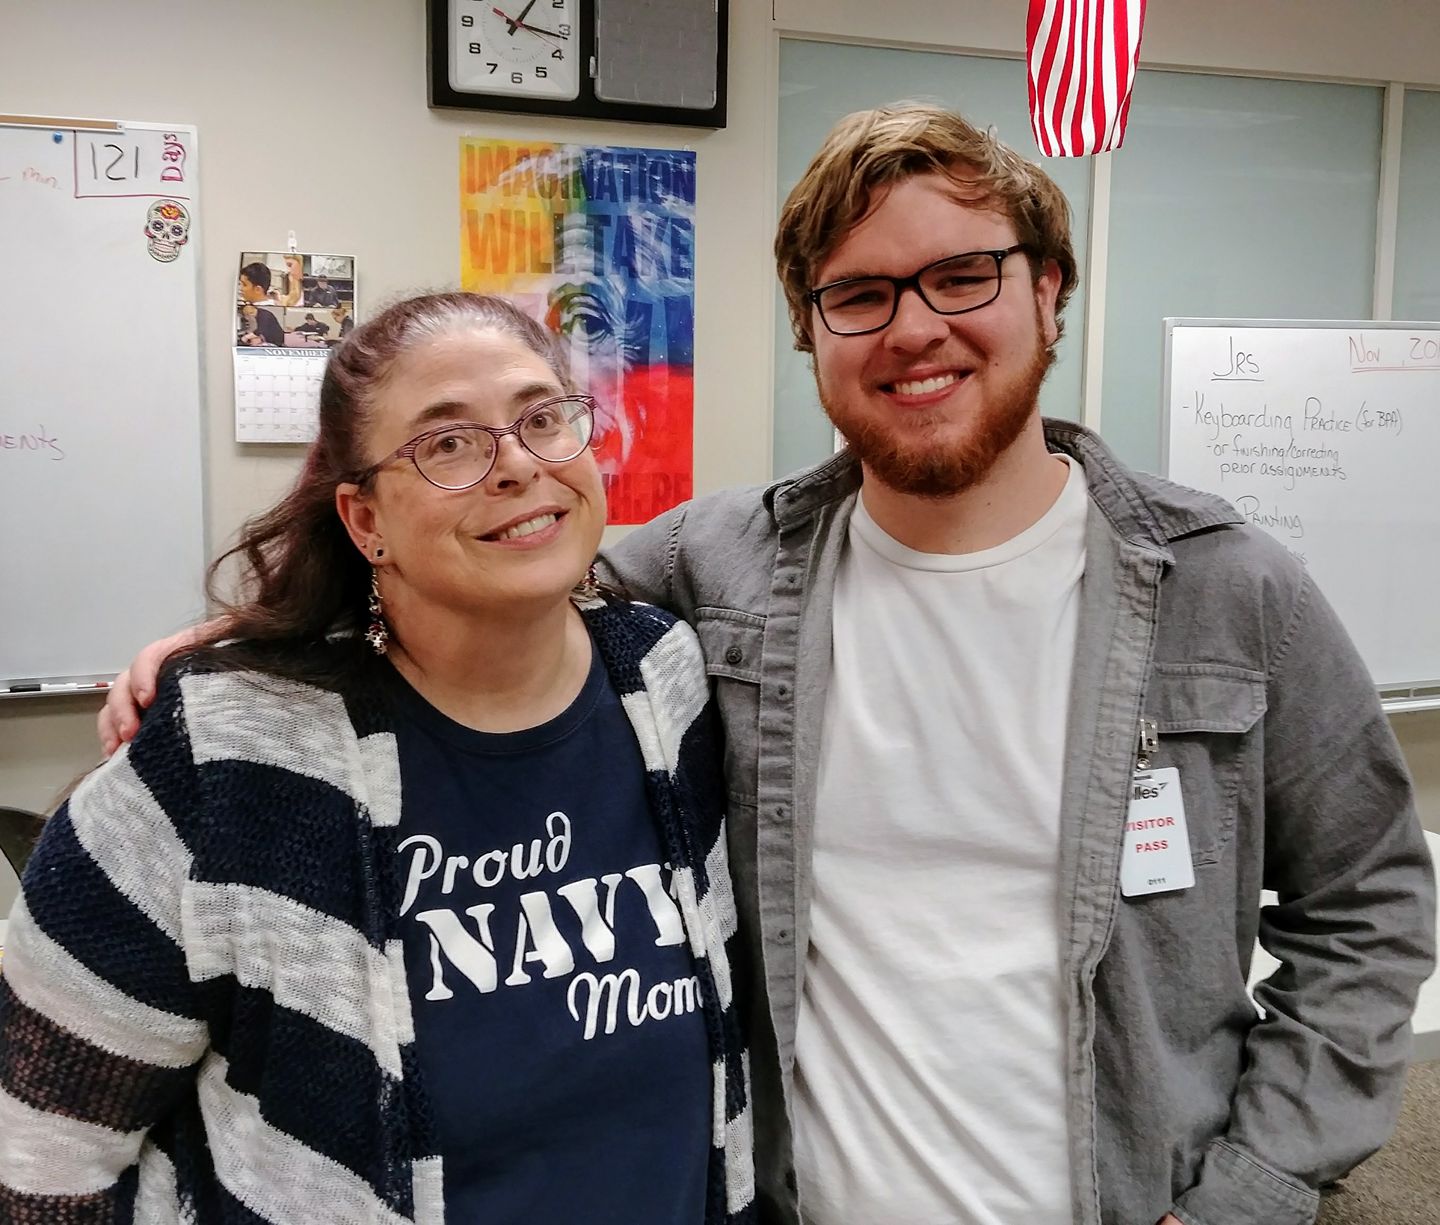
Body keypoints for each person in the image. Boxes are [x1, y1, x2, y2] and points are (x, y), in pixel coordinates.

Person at [98, 105, 1436, 1225]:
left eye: (963, 273)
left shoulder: (1229, 593)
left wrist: (1254, 1189)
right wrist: (251, 635)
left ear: (1049, 288)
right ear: (812, 332)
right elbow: (497, 557)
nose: (914, 327)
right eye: (858, 294)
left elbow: (1369, 912)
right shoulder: (728, 564)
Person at [7, 292, 754, 1223]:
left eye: (542, 419)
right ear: (366, 523)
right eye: (447, 444)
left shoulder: (667, 680)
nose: (517, 464)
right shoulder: (229, 753)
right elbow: (41, 1135)